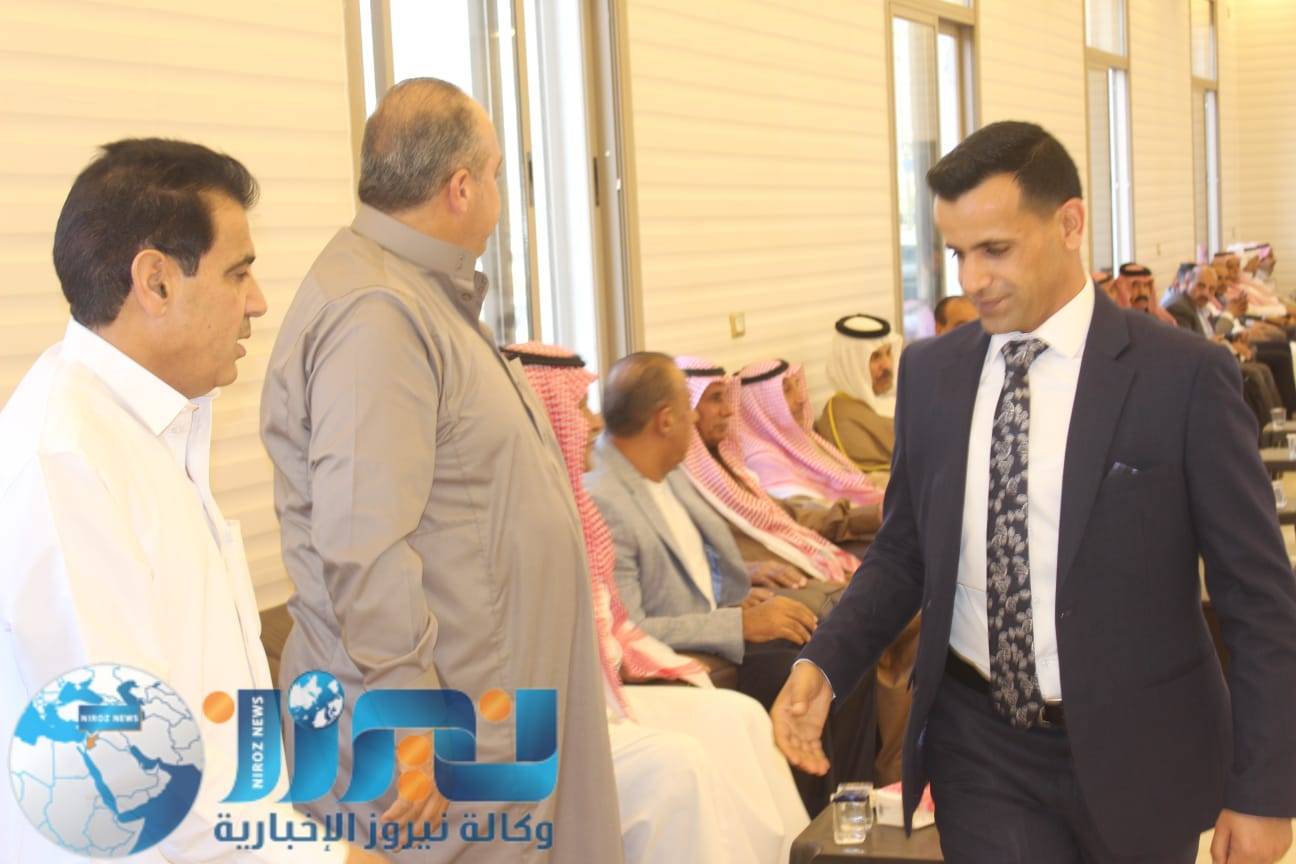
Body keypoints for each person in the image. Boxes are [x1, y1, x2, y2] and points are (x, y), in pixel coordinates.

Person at [772, 120, 1296, 863]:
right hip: (981, 746)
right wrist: (823, 662)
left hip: (1141, 748)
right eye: (957, 253)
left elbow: (1258, 596)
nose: (972, 280)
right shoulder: (933, 374)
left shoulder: (1181, 377)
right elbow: (904, 551)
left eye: (995, 249)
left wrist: (1266, 789)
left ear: (1069, 224)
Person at [260, 79, 621, 862]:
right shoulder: (376, 312)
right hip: (442, 734)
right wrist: (413, 718)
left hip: (489, 703)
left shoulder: (415, 291)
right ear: (460, 187)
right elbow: (360, 542)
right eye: (495, 175)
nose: (497, 194)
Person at [0, 140, 381, 863]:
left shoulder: (151, 426)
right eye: (238, 272)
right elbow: (135, 768)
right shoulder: (65, 462)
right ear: (156, 282)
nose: (257, 301)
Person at [506, 342, 810, 863]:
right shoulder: (554, 507)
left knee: (741, 718)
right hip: (546, 715)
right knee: (679, 765)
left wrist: (743, 592)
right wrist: (735, 625)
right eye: (579, 408)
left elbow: (612, 622)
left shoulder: (586, 497)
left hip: (600, 691)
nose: (594, 424)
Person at [585, 352, 877, 815]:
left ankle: (851, 809)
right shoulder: (604, 500)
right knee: (806, 678)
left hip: (725, 626)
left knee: (842, 656)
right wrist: (738, 625)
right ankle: (813, 823)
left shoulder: (665, 472)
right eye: (688, 411)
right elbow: (631, 629)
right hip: (690, 658)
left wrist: (741, 596)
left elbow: (695, 565)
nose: (694, 422)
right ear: (665, 420)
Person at [680, 357, 865, 584]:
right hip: (777, 580)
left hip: (804, 560)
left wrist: (869, 516)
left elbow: (787, 516)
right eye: (716, 398)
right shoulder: (691, 483)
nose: (728, 410)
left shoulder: (728, 465)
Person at [815, 314, 902, 475]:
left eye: (888, 353)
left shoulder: (893, 398)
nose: (887, 365)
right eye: (875, 356)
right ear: (851, 365)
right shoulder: (842, 418)